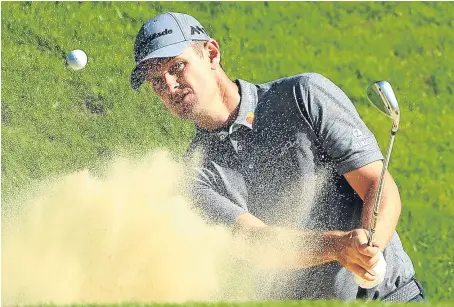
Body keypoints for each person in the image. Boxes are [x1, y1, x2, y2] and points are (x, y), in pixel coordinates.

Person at [130, 12, 426, 302]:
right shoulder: (195, 174)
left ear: (211, 54)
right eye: (155, 81)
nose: (168, 86)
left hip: (391, 297)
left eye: (176, 67)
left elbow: (377, 183)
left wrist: (370, 248)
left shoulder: (303, 96)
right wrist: (338, 247)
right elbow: (255, 243)